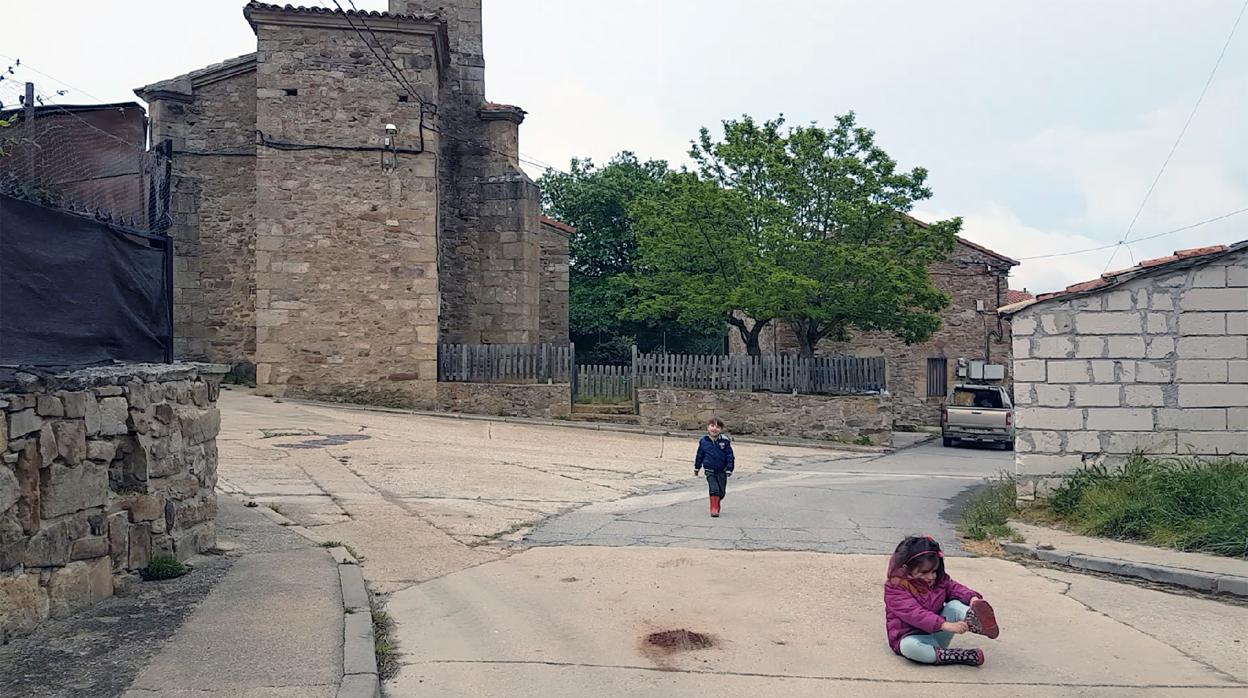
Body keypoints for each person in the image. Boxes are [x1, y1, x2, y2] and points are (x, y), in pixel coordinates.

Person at [884, 536, 999, 666]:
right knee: (909, 647)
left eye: (934, 571)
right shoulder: (895, 587)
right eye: (924, 572)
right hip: (911, 637)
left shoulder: (938, 579)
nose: (931, 576)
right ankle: (955, 655)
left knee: (954, 605)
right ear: (906, 569)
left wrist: (972, 598)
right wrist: (945, 625)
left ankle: (978, 621)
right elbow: (915, 614)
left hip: (937, 634)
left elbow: (955, 588)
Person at [694, 417, 734, 518]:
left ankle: (716, 501)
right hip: (709, 469)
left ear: (721, 429)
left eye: (718, 427)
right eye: (712, 426)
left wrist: (729, 468)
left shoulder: (725, 441)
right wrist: (697, 467)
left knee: (721, 492)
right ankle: (714, 508)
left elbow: (730, 455)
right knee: (714, 489)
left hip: (722, 470)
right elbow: (699, 455)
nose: (714, 429)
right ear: (708, 427)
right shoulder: (704, 441)